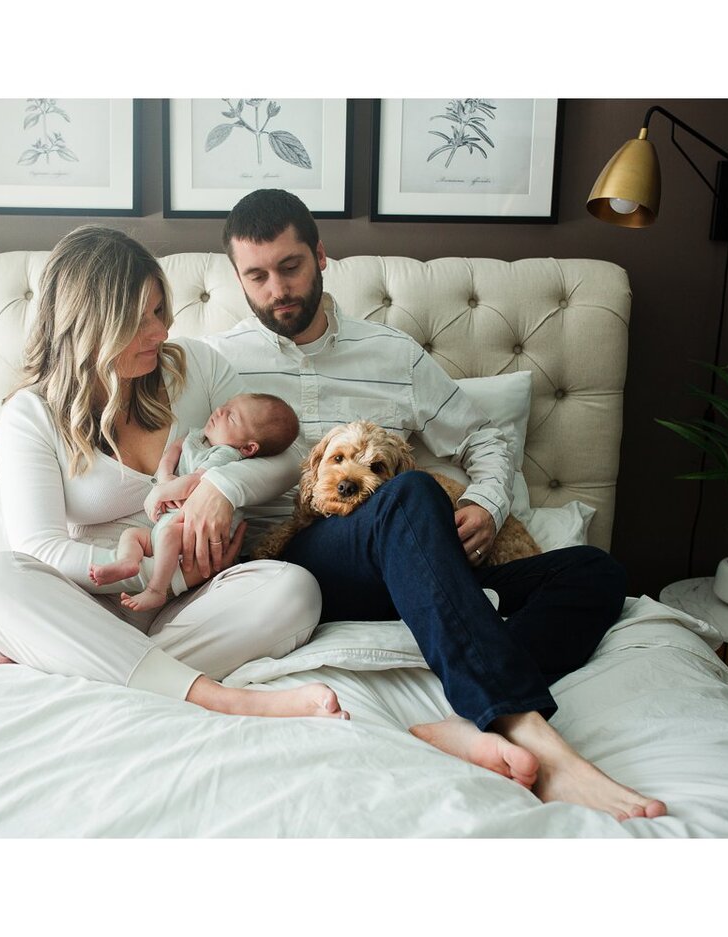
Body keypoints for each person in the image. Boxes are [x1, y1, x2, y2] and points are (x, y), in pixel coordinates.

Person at [202, 188, 654, 821]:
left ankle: (454, 715)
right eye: (257, 275)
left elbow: (485, 439)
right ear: (238, 279)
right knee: (410, 491)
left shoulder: (393, 355)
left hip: (420, 562)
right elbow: (183, 468)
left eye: (290, 266)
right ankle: (532, 738)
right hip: (306, 564)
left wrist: (489, 504)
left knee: (596, 573)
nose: (277, 287)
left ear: (322, 255)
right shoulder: (217, 364)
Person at [0, 225, 339, 720]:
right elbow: (40, 549)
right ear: (90, 325)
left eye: (160, 310)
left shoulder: (198, 368)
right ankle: (219, 697)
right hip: (87, 605)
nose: (160, 332)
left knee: (294, 590)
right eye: (138, 320)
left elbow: (290, 458)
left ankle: (75, 671)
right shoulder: (32, 415)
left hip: (186, 609)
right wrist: (168, 573)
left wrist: (223, 489)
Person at [88, 392, 300, 613]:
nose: (219, 411)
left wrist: (160, 493)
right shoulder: (199, 437)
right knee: (131, 536)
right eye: (225, 405)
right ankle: (127, 562)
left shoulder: (225, 454)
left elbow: (193, 482)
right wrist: (164, 476)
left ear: (248, 448)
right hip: (174, 524)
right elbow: (174, 450)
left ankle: (156, 590)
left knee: (168, 536)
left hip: (202, 535)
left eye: (231, 417)